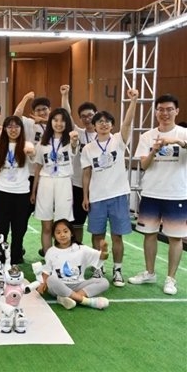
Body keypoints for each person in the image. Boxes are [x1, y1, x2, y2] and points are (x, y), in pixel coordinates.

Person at [129, 94, 187, 295]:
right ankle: (150, 272)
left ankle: (171, 279)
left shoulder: (183, 133)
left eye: (169, 109)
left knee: (175, 238)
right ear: (155, 112)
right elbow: (144, 165)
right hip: (151, 192)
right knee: (149, 234)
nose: (165, 113)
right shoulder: (147, 136)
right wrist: (154, 150)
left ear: (176, 111)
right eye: (161, 109)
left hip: (177, 193)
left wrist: (178, 142)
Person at [81, 89, 138, 287]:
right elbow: (86, 173)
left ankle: (118, 270)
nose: (103, 124)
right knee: (97, 235)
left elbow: (128, 122)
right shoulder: (88, 148)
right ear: (94, 126)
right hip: (97, 197)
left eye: (107, 121)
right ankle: (99, 267)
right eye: (100, 122)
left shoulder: (118, 141)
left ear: (112, 125)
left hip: (118, 195)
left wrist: (133, 101)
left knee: (117, 235)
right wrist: (85, 196)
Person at [31, 108, 79, 256]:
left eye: (62, 120)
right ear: (50, 121)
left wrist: (74, 140)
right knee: (46, 225)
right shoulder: (42, 143)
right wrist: (34, 190)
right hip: (45, 182)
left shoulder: (70, 140)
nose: (59, 123)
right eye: (55, 120)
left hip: (63, 182)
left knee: (62, 225)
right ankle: (49, 258)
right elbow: (38, 167)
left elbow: (74, 147)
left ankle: (63, 257)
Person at [0, 116, 35, 265]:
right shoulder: (0, 147)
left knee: (19, 227)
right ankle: (1, 256)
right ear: (5, 129)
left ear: (21, 129)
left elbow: (32, 153)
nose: (13, 130)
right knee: (1, 226)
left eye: (16, 126)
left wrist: (30, 152)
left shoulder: (26, 144)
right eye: (9, 127)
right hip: (2, 191)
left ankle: (16, 256)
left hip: (21, 193)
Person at [36, 219, 110, 310]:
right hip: (59, 286)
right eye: (58, 232)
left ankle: (68, 298)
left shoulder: (82, 249)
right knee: (51, 279)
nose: (62, 235)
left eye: (65, 231)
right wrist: (42, 283)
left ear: (71, 233)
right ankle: (86, 301)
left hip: (78, 285)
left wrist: (104, 250)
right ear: (54, 236)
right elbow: (46, 272)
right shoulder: (51, 251)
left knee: (104, 282)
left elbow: (102, 257)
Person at [69, 100, 98, 244]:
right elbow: (67, 113)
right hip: (78, 185)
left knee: (97, 227)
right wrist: (65, 95)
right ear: (80, 118)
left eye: (90, 115)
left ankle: (96, 255)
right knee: (77, 224)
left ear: (96, 114)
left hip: (98, 187)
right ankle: (77, 249)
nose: (87, 119)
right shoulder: (78, 133)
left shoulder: (105, 136)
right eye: (83, 116)